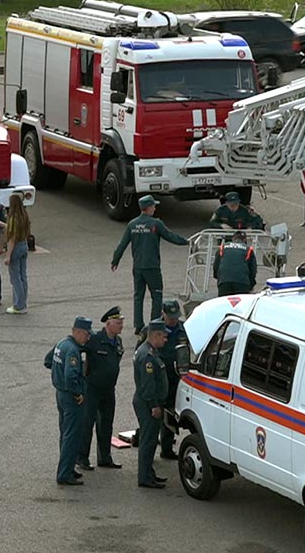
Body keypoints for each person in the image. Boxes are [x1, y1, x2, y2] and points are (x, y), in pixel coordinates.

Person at [111, 195, 189, 337]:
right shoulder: (155, 223)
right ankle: (155, 323)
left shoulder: (132, 224)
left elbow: (122, 245)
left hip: (137, 267)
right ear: (148, 208)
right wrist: (186, 242)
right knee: (157, 295)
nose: (155, 208)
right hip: (152, 267)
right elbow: (170, 236)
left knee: (138, 296)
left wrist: (115, 260)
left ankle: (138, 325)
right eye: (153, 206)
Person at [45, 317, 92, 486]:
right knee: (72, 435)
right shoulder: (73, 350)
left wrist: (57, 374)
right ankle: (64, 473)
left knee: (65, 433)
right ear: (77, 332)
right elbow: (70, 376)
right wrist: (78, 393)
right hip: (71, 398)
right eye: (86, 334)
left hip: (61, 394)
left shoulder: (62, 343)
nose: (88, 338)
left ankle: (68, 467)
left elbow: (48, 361)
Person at [79, 307, 125, 471]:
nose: (121, 326)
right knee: (87, 424)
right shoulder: (95, 340)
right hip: (92, 389)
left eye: (122, 322)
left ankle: (105, 457)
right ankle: (82, 457)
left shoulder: (117, 341)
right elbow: (78, 350)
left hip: (108, 390)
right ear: (108, 324)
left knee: (106, 424)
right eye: (118, 323)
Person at [132, 320, 170, 489]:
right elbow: (148, 386)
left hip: (147, 402)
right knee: (148, 441)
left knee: (151, 440)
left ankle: (149, 473)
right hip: (148, 404)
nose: (166, 340)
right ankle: (145, 477)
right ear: (155, 336)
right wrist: (154, 406)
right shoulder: (147, 356)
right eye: (163, 336)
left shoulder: (150, 351)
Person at [157, 302, 188, 461]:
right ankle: (148, 439)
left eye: (175, 318)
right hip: (158, 378)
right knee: (155, 412)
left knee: (170, 411)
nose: (173, 321)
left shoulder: (184, 328)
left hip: (176, 377)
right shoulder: (154, 329)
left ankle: (167, 448)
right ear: (163, 314)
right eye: (170, 318)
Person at [3, 194, 31, 315]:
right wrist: (4, 225)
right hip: (24, 245)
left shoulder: (13, 217)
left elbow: (12, 238)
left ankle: (18, 305)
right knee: (23, 276)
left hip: (16, 247)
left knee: (15, 278)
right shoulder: (24, 216)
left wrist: (8, 255)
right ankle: (23, 303)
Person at [213, 231, 257, 296]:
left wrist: (219, 278)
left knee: (224, 304)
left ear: (233, 239)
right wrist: (251, 285)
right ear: (245, 240)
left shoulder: (222, 247)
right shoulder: (248, 249)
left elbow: (216, 266)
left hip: (224, 282)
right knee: (241, 305)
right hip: (242, 282)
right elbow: (253, 270)